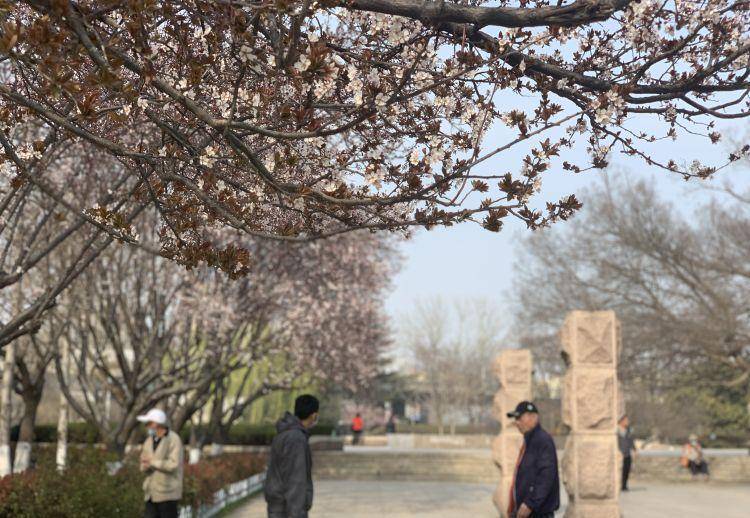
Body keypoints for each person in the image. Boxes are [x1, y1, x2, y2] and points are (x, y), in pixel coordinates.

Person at [265, 394, 320, 518]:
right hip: (287, 509)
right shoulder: (296, 439)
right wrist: (297, 513)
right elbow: (296, 480)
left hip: (278, 506)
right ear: (314, 415)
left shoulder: (284, 434)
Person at [506, 401, 560, 518]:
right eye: (515, 419)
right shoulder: (530, 441)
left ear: (533, 417)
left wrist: (531, 503)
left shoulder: (542, 440)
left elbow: (546, 476)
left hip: (537, 513)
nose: (516, 422)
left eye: (519, 418)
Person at [138, 408, 184, 518]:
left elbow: (173, 464)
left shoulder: (173, 439)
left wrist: (152, 462)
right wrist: (144, 465)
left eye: (148, 423)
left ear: (156, 424)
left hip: (168, 492)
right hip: (150, 493)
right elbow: (143, 462)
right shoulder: (148, 441)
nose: (146, 426)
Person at [618, 414, 636, 491]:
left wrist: (634, 449)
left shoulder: (628, 430)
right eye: (626, 420)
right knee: (619, 470)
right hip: (619, 453)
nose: (627, 422)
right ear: (621, 421)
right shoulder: (616, 431)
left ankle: (624, 485)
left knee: (627, 469)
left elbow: (631, 441)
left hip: (627, 453)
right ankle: (618, 485)